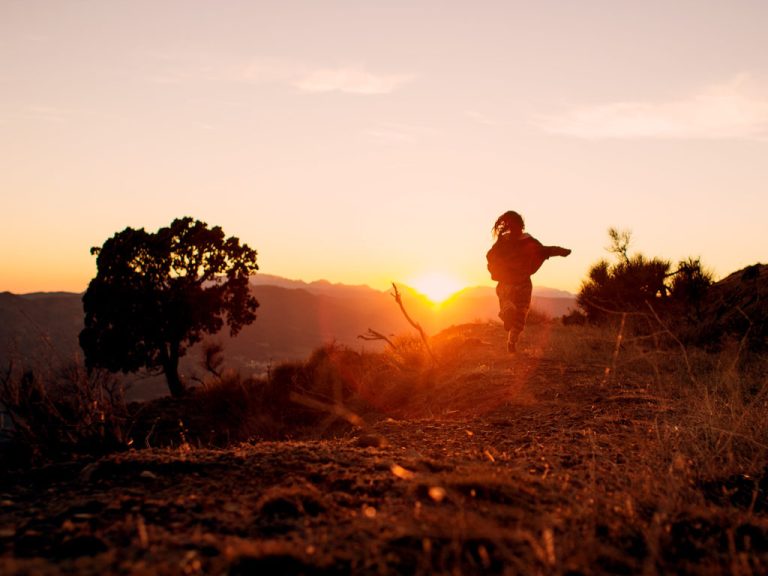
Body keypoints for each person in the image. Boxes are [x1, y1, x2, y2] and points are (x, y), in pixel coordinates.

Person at [487, 210, 571, 353]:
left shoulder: (511, 241)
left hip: (512, 284)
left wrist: (497, 269)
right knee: (517, 312)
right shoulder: (517, 241)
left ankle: (510, 333)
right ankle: (510, 331)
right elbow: (543, 251)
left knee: (516, 313)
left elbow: (490, 256)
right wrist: (561, 251)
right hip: (516, 284)